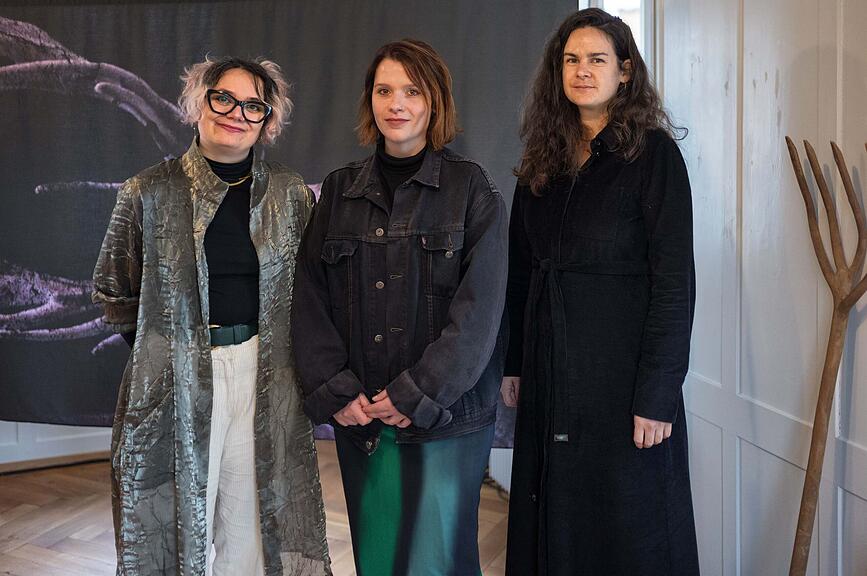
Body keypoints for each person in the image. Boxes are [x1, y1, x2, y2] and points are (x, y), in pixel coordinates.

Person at [92, 56, 331, 576]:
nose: (235, 114)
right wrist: (165, 354)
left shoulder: (290, 194)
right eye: (223, 98)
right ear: (198, 103)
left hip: (265, 375)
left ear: (268, 121)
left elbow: (314, 291)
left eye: (253, 106)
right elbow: (114, 290)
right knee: (174, 522)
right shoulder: (148, 191)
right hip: (173, 379)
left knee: (250, 526)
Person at [291, 39, 508, 576]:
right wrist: (335, 390)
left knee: (439, 562)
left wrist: (418, 392)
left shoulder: (471, 189)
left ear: (435, 100)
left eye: (411, 91)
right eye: (384, 91)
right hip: (364, 416)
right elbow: (309, 297)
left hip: (447, 417)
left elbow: (480, 313)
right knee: (381, 559)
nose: (397, 104)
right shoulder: (338, 192)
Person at [502, 8, 700, 575]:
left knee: (628, 528)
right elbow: (521, 269)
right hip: (549, 370)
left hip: (623, 382)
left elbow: (675, 284)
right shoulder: (542, 158)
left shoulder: (654, 155)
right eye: (571, 60)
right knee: (553, 521)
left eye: (596, 59)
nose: (582, 71)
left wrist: (657, 395)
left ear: (625, 71)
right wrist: (514, 363)